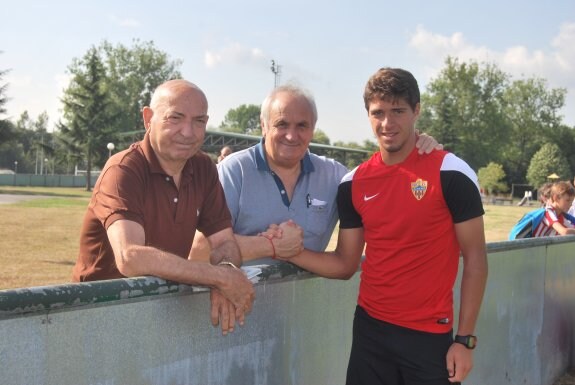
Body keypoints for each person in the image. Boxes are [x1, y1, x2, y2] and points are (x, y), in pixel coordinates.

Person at [275, 68, 488, 384]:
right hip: (370, 331)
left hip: (429, 336)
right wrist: (290, 252)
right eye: (379, 113)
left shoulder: (451, 173)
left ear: (417, 110)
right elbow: (345, 264)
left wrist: (464, 340)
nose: (387, 123)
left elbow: (476, 261)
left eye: (398, 111)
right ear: (368, 115)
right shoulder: (353, 183)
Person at [71, 79, 255, 335]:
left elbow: (225, 242)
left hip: (158, 317)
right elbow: (130, 257)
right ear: (148, 118)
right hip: (98, 320)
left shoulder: (202, 168)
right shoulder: (123, 170)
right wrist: (217, 278)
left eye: (199, 121)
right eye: (175, 118)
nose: (188, 132)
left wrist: (226, 271)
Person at [190, 84, 441, 262]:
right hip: (234, 317)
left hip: (302, 317)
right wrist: (273, 246)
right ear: (264, 125)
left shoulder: (334, 176)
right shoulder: (234, 171)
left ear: (313, 129)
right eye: (282, 124)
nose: (292, 135)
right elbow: (199, 251)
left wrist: (416, 150)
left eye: (302, 126)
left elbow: (386, 189)